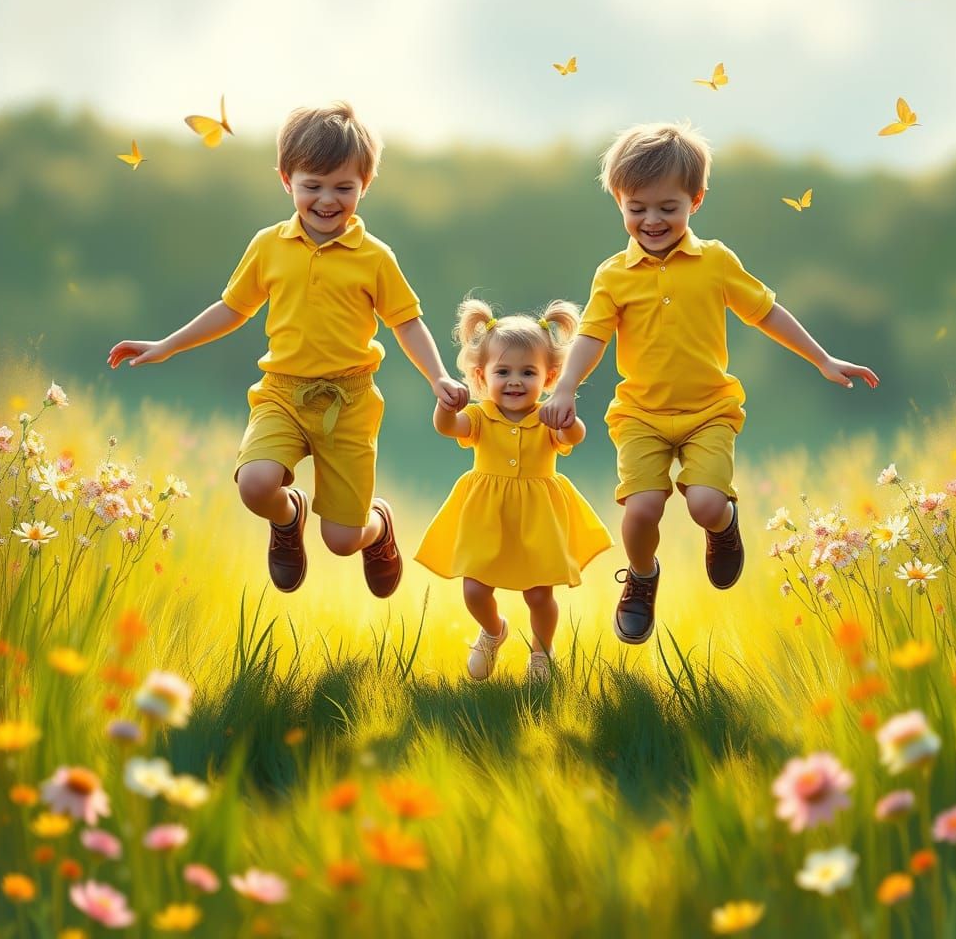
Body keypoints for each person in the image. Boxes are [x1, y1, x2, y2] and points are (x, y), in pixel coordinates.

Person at [108, 102, 468, 597]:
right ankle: (289, 513)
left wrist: (439, 378)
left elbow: (407, 323)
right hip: (282, 394)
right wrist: (167, 346)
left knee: (342, 540)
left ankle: (377, 528)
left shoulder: (375, 258)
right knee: (255, 484)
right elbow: (232, 309)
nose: (327, 200)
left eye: (343, 187)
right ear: (286, 179)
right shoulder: (268, 246)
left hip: (350, 402)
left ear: (365, 184)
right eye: (312, 185)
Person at [540, 121, 879, 644]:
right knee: (641, 512)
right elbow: (591, 337)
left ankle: (723, 528)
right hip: (641, 416)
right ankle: (641, 578)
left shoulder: (715, 262)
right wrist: (564, 387)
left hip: (708, 412)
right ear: (619, 203)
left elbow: (766, 312)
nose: (652, 221)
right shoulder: (612, 276)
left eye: (667, 208)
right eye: (638, 209)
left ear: (695, 200)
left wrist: (822, 358)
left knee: (704, 504)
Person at [415, 298, 612, 682]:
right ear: (481, 376)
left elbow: (574, 435)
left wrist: (567, 417)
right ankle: (492, 631)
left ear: (550, 378)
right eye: (503, 371)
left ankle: (542, 651)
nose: (515, 381)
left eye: (527, 372)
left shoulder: (548, 415)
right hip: (487, 516)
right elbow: (447, 427)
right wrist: (444, 404)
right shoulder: (479, 416)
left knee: (539, 595)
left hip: (537, 518)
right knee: (474, 588)